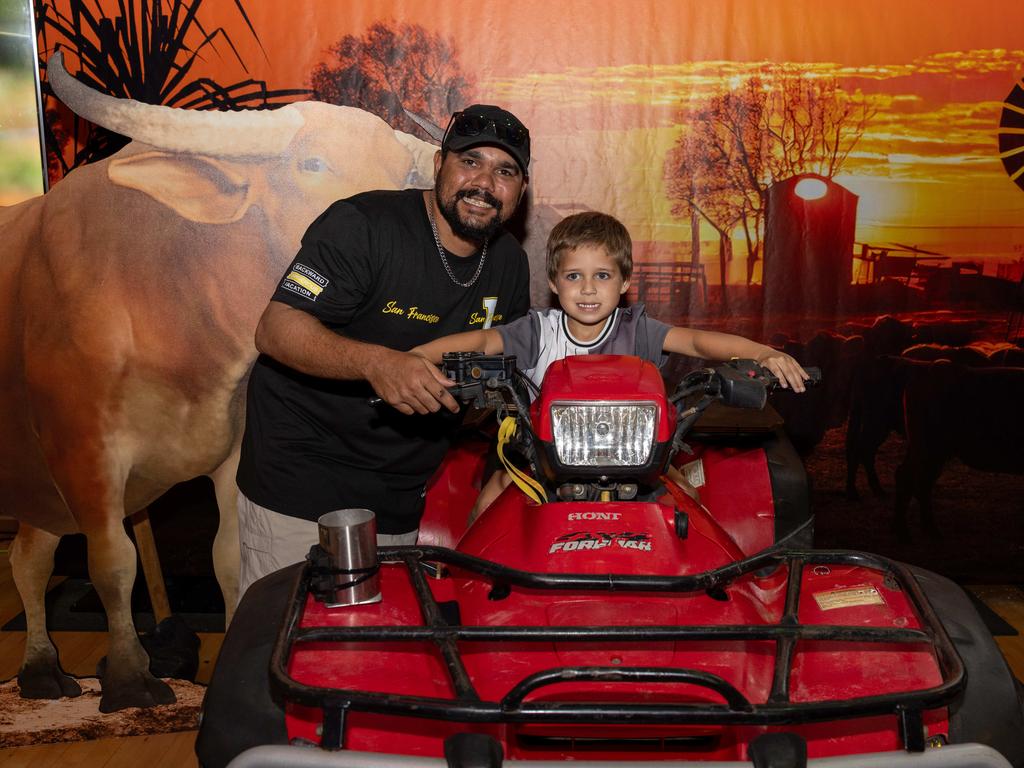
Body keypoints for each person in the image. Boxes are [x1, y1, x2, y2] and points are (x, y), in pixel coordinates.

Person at [234, 104, 533, 597]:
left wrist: (485, 396)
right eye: (470, 161)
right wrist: (378, 364)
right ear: (439, 165)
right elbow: (276, 329)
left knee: (377, 652)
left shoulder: (509, 265)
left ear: (520, 190)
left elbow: (495, 377)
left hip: (399, 495)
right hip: (301, 480)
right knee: (285, 649)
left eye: (505, 171)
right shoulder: (364, 225)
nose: (484, 182)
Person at [412, 211, 809, 519]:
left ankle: (706, 587)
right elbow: (483, 339)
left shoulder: (639, 331)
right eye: (573, 275)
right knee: (493, 496)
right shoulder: (537, 331)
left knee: (688, 500)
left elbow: (697, 340)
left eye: (602, 275)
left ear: (623, 282)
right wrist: (417, 357)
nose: (588, 288)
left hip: (638, 465)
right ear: (554, 282)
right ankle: (463, 585)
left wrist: (761, 353)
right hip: (546, 465)